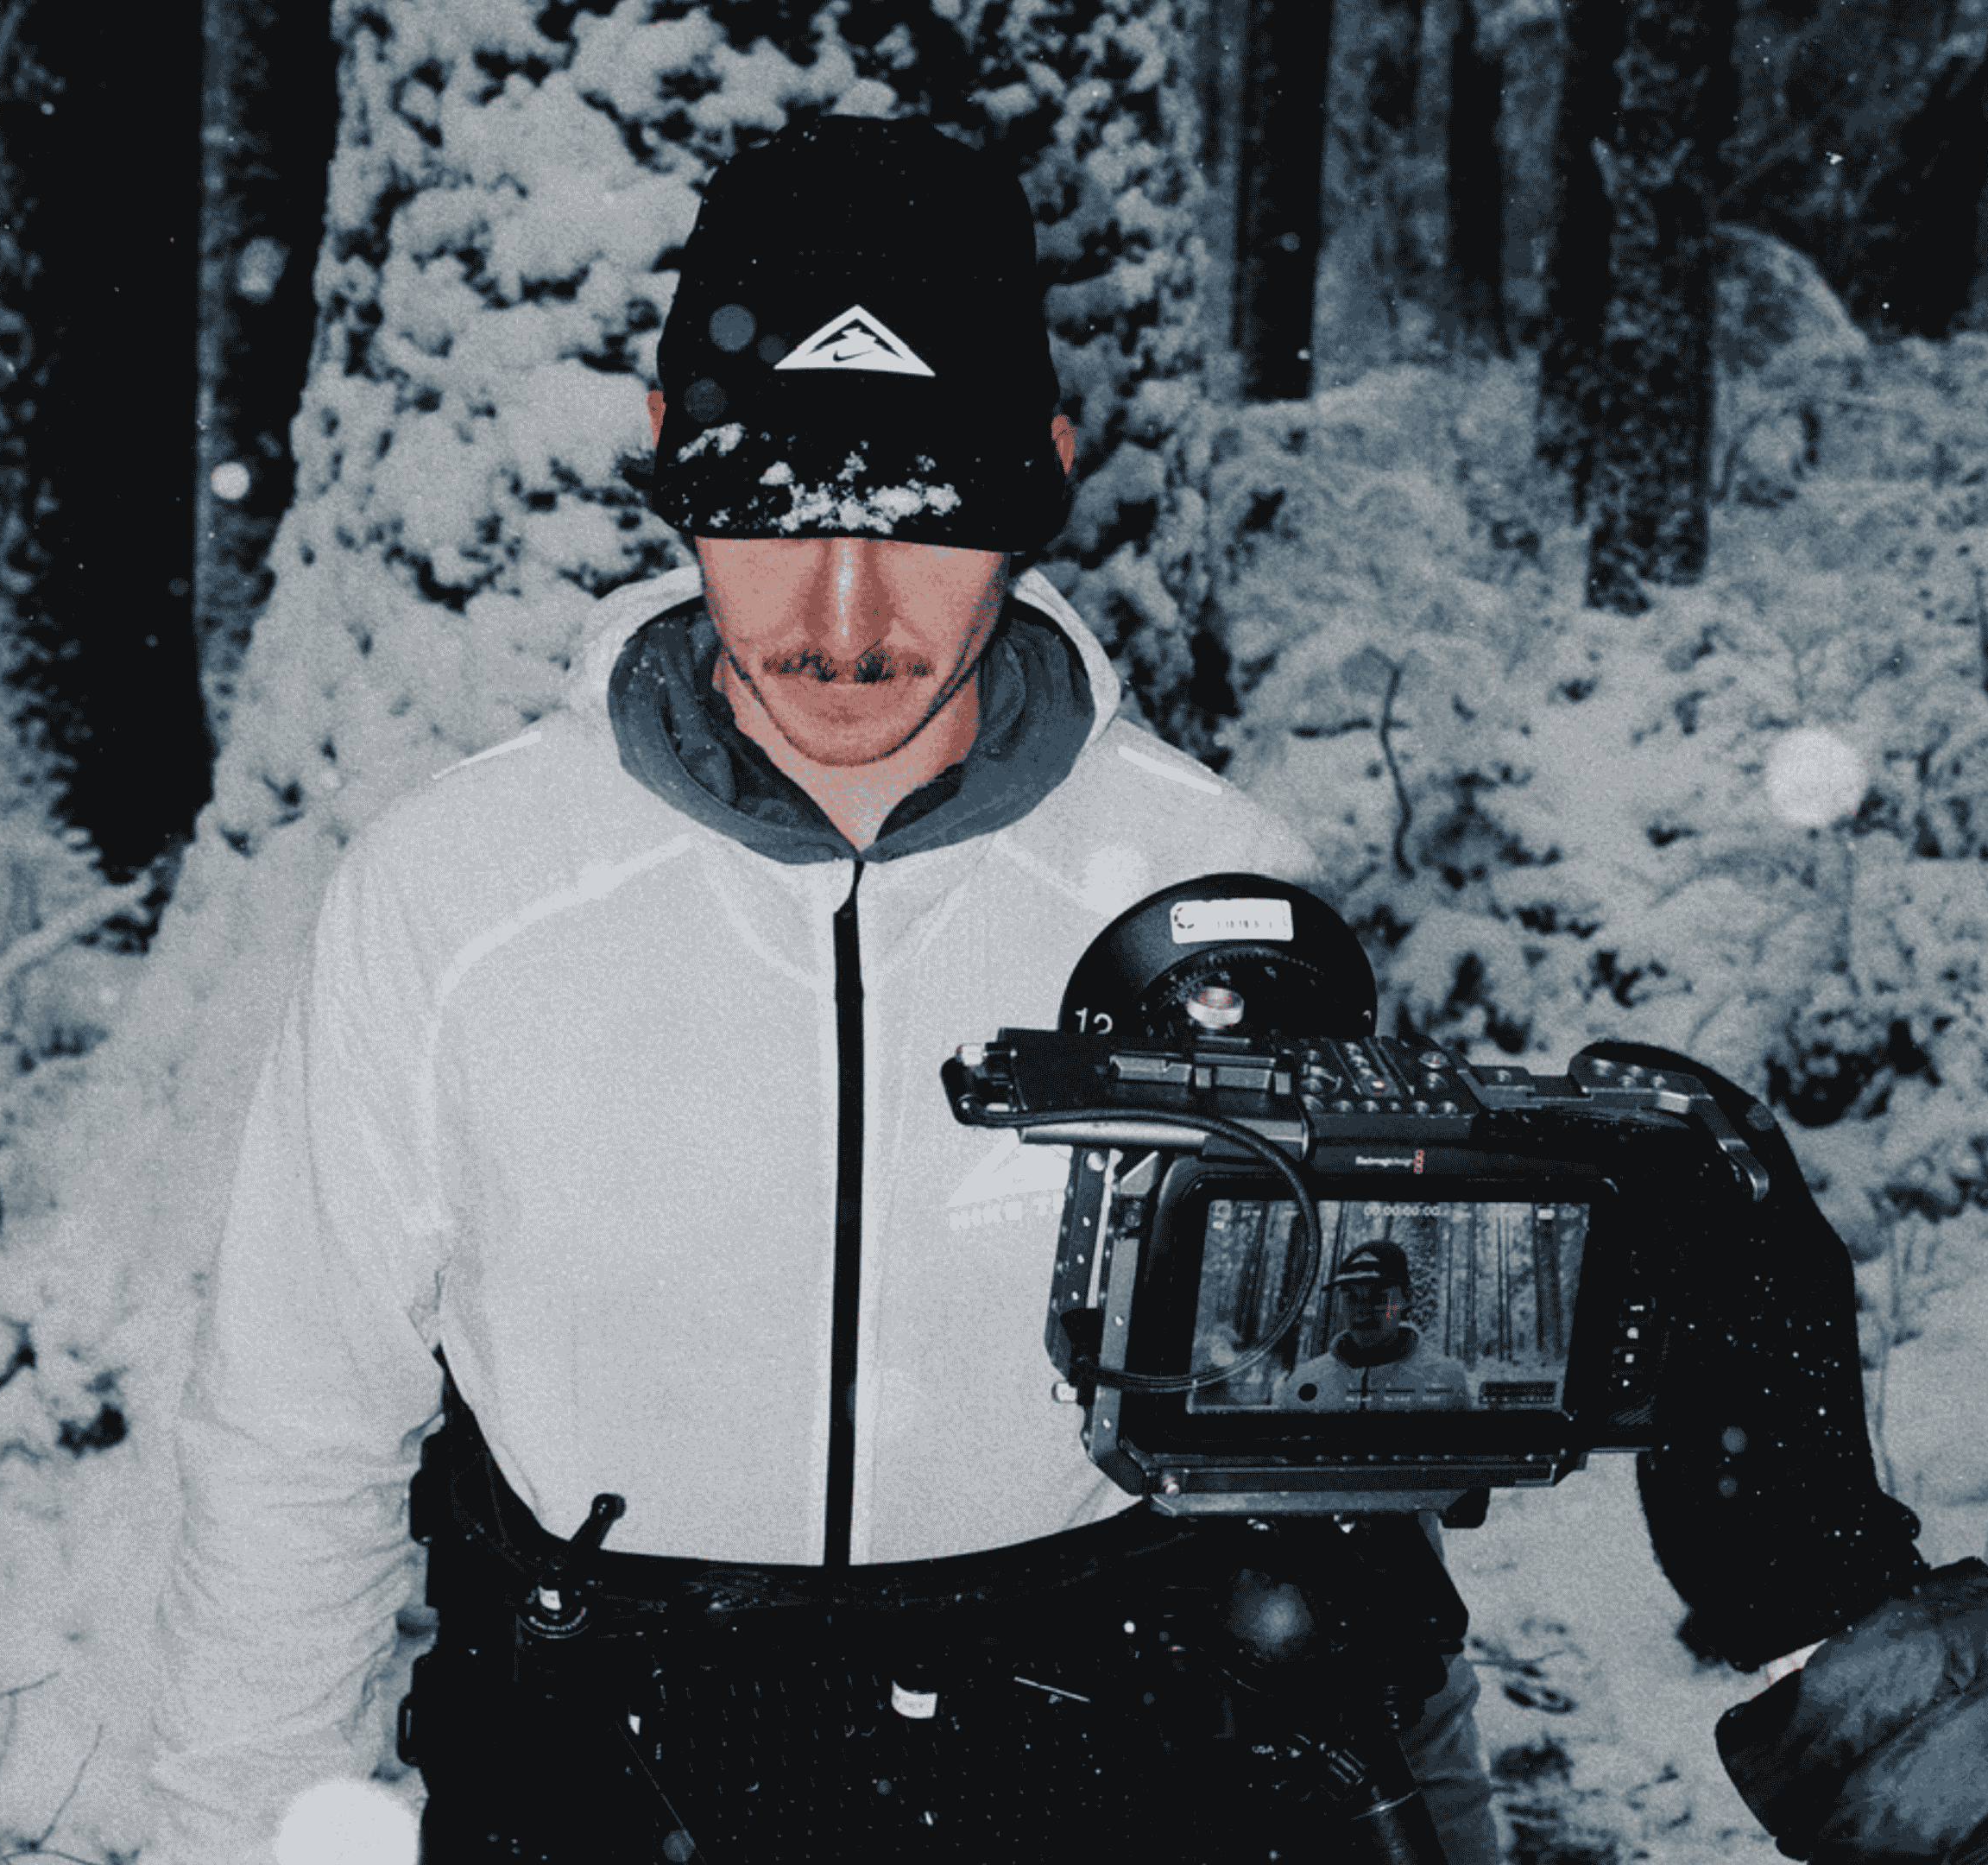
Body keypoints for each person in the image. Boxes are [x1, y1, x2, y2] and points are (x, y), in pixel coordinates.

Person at [145, 117, 1498, 1865]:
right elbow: (291, 1446)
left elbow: (1337, 1493)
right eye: (775, 502)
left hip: (1099, 1785)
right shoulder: (456, 900)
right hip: (594, 1783)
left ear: (1048, 465)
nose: (845, 619)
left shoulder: (1206, 898)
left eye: (928, 509)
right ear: (665, 458)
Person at [1284, 1243, 1473, 1410]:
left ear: (1406, 1298)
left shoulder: (1447, 1380)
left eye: (1379, 1298)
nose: (1362, 1311)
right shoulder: (1303, 1382)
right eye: (1351, 1298)